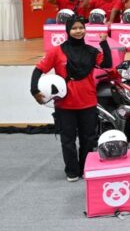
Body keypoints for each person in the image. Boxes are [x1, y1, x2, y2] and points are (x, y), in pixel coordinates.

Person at [30, 17, 112, 182]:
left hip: (88, 102)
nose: (78, 31)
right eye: (74, 28)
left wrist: (104, 43)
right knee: (68, 140)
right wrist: (34, 90)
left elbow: (107, 63)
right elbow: (38, 70)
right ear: (68, 30)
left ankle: (86, 168)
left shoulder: (92, 51)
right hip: (65, 105)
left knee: (88, 139)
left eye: (81, 27)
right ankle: (72, 171)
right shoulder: (56, 51)